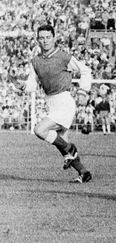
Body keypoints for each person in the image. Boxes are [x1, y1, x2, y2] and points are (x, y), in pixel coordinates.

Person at [12, 24, 92, 183]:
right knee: (61, 144)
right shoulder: (35, 61)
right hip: (51, 104)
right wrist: (24, 86)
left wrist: (83, 91)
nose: (45, 41)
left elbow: (85, 71)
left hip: (64, 102)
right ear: (37, 40)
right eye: (41, 38)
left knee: (39, 130)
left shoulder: (63, 57)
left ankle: (71, 149)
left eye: (48, 37)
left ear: (54, 38)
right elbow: (33, 84)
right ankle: (84, 172)